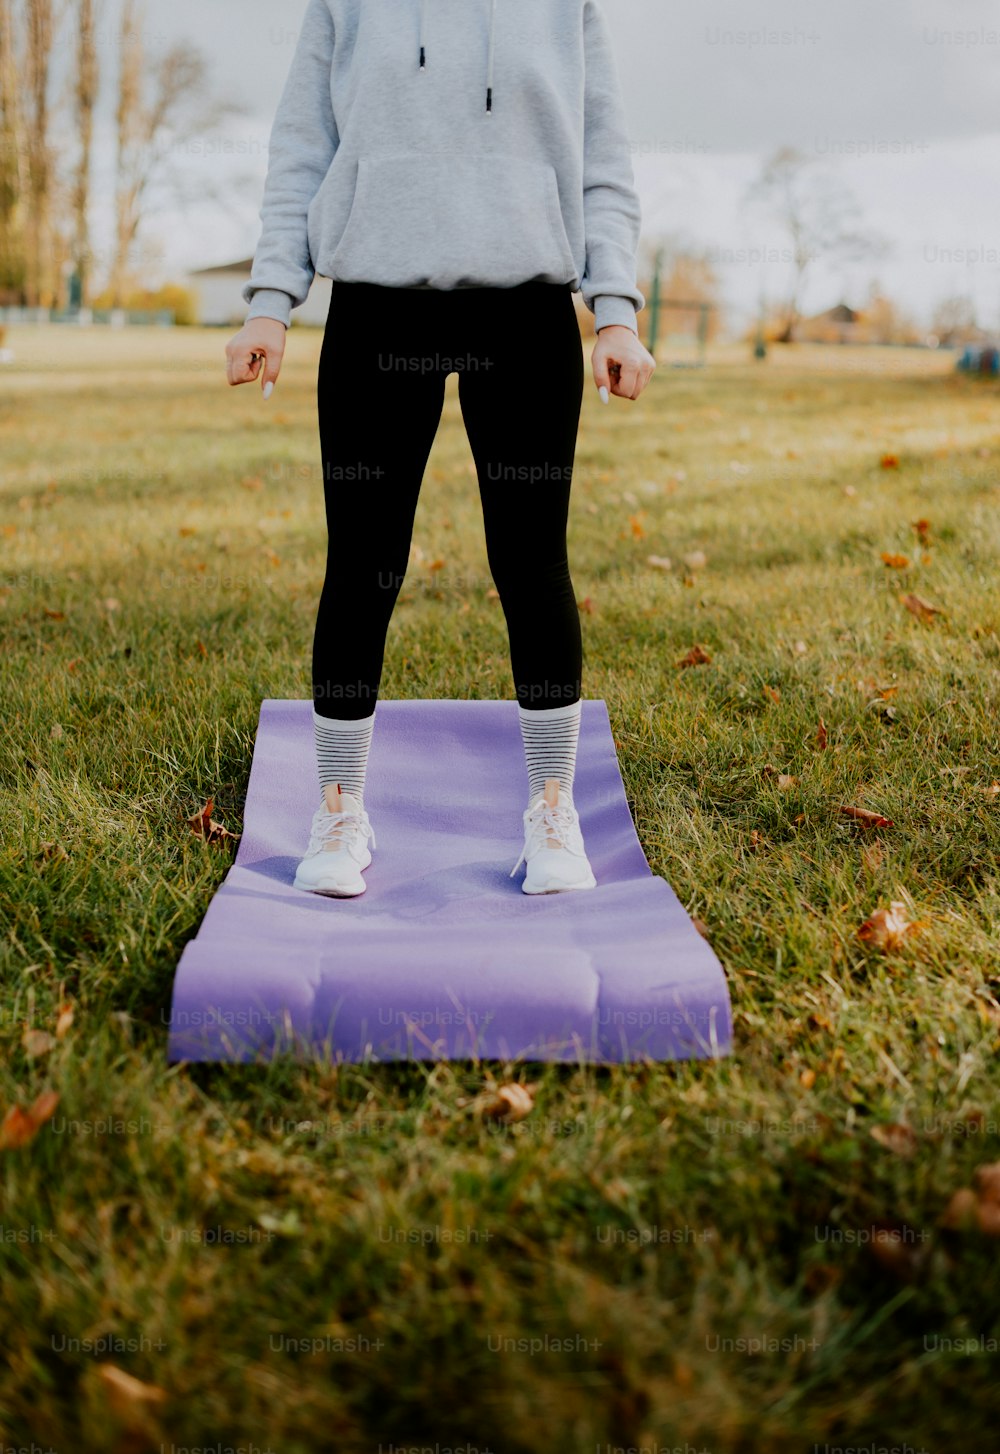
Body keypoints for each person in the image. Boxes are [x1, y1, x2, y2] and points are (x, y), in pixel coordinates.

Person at [225, 0, 655, 898]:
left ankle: (550, 813)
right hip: (378, 305)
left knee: (532, 562)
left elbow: (603, 159)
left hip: (527, 309)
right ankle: (340, 811)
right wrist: (273, 297)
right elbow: (301, 145)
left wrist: (613, 310)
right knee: (363, 563)